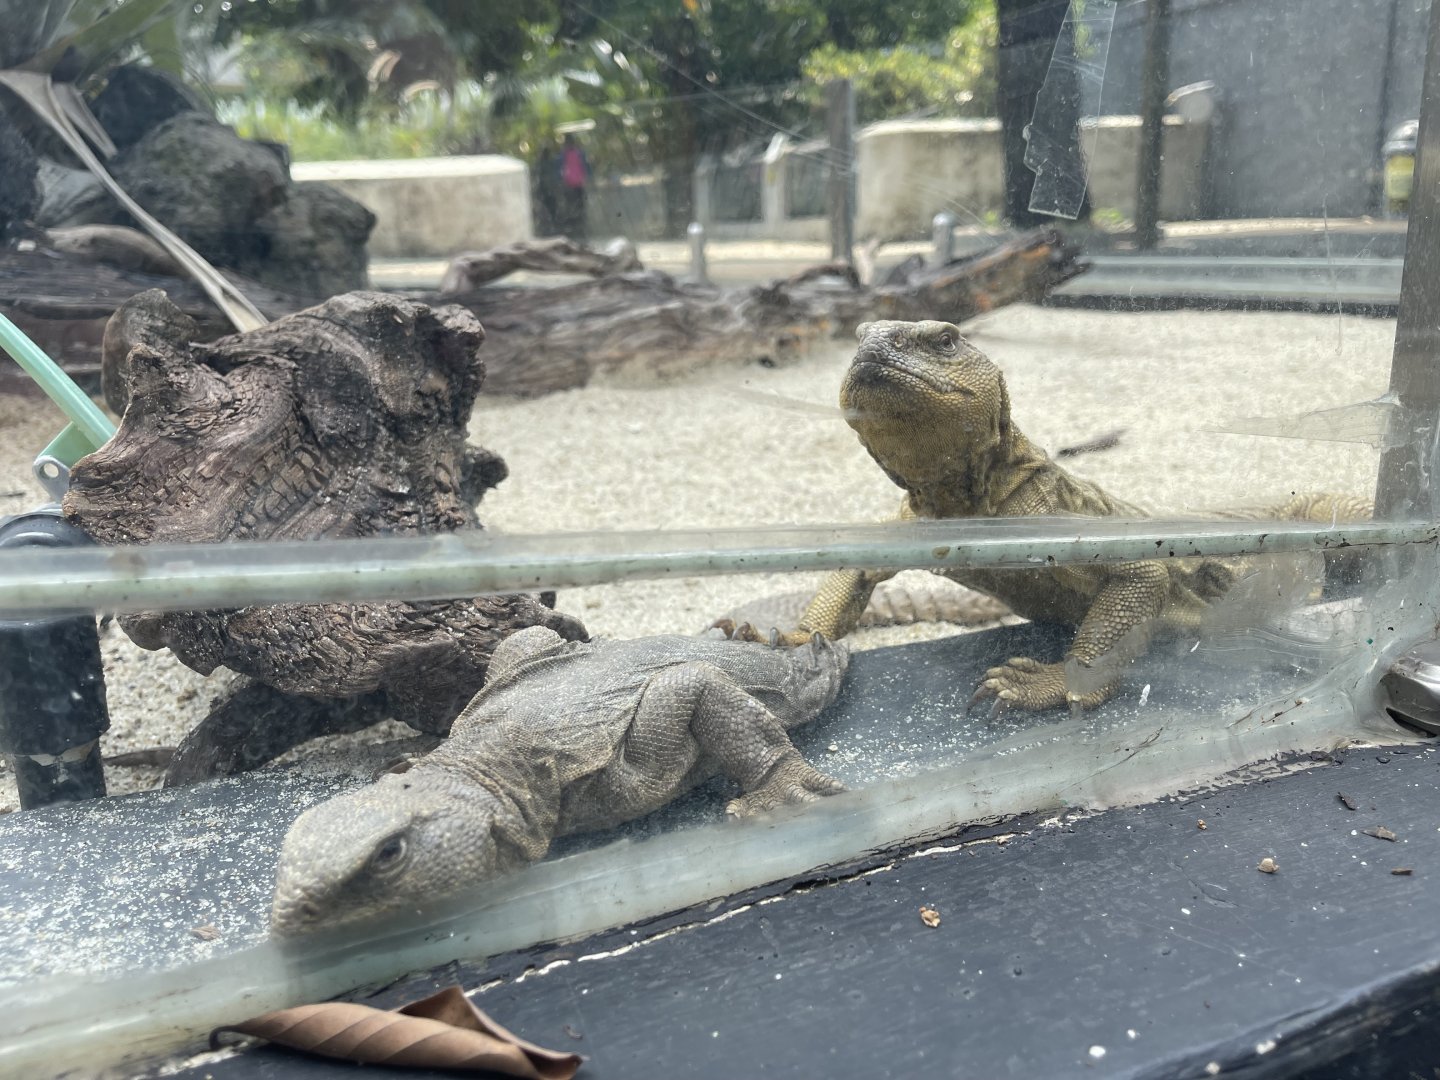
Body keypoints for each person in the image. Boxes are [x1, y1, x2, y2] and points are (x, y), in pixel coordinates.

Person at [556, 132, 591, 240]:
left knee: (572, 208)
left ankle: (576, 231)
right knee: (579, 208)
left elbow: (560, 171)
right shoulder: (579, 153)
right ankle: (580, 230)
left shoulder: (563, 155)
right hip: (576, 185)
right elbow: (585, 168)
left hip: (570, 186)